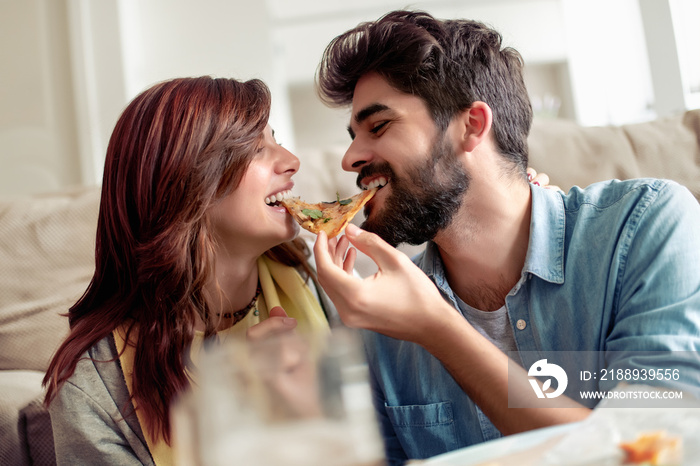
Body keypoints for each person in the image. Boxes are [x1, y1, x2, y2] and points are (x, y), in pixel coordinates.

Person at [312, 10, 700, 464]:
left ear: (472, 125)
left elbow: (653, 450)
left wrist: (437, 328)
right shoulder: (381, 322)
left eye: (378, 126)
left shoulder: (646, 225)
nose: (350, 159)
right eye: (354, 135)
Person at [42, 76, 333, 465]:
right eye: (256, 148)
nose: (291, 161)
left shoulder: (315, 276)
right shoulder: (91, 386)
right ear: (188, 181)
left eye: (276, 140)